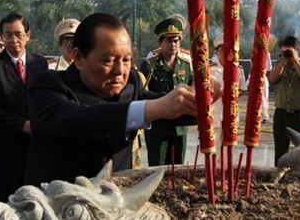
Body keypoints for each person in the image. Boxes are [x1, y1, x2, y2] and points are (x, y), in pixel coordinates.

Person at [24, 13, 206, 186]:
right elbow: (79, 120)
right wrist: (152, 108)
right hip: (60, 204)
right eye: (109, 60)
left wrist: (201, 98)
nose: (120, 70)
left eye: (126, 60)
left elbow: (170, 109)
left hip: (113, 203)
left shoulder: (132, 83)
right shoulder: (48, 85)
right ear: (79, 58)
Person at [0, 13, 48, 202]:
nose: (14, 39)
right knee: (6, 203)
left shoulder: (40, 63)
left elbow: (47, 99)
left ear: (28, 34)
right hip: (5, 149)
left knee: (34, 203)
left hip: (35, 148)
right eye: (8, 34)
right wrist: (21, 125)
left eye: (18, 34)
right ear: (1, 37)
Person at [140, 18, 193, 166]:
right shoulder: (150, 66)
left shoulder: (187, 65)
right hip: (158, 127)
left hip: (180, 128)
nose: (173, 44)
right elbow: (143, 95)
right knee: (157, 169)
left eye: (176, 40)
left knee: (178, 169)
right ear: (160, 43)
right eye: (168, 41)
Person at [269, 36, 300, 166]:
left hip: (298, 112)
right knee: (280, 146)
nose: (287, 53)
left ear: (297, 49)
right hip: (281, 111)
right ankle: (279, 170)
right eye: (284, 50)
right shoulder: (279, 64)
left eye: (290, 50)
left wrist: (295, 61)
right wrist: (283, 61)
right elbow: (272, 78)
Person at [209, 33, 247, 157]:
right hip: (214, 113)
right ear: (217, 52)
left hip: (230, 114)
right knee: (211, 150)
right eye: (221, 50)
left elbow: (242, 89)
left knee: (227, 152)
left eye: (227, 50)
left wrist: (233, 94)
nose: (224, 54)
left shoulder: (238, 69)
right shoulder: (209, 69)